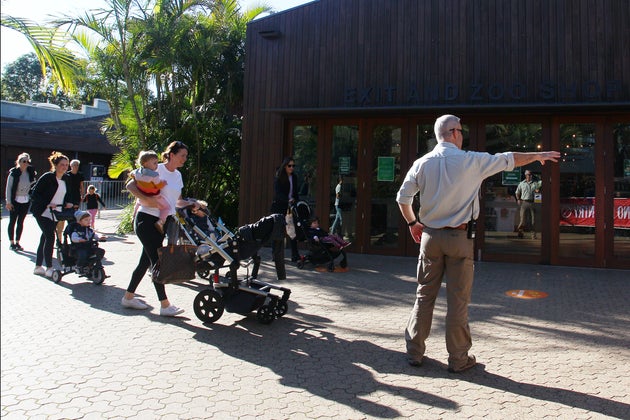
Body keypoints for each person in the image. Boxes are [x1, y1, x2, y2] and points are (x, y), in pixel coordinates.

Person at [396, 114, 560, 372]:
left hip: (429, 237)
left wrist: (412, 224)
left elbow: (402, 199)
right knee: (458, 301)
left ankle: (414, 352)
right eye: (460, 130)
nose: (462, 135)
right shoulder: (471, 161)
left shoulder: (421, 163)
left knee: (424, 295)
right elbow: (509, 158)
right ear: (453, 133)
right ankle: (458, 359)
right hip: (460, 238)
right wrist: (537, 156)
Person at [122, 141, 199, 316]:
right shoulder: (156, 168)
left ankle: (128, 297)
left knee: (145, 261)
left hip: (162, 223)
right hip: (146, 220)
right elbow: (130, 185)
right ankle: (165, 305)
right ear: (171, 155)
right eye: (182, 155)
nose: (185, 159)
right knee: (157, 261)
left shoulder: (178, 175)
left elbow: (177, 201)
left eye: (186, 156)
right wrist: (146, 199)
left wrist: (192, 204)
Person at [30, 151, 74, 278]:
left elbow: (67, 195)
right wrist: (47, 203)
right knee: (50, 236)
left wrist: (68, 203)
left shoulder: (67, 179)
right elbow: (34, 194)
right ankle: (49, 267)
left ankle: (38, 266)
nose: (65, 167)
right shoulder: (47, 177)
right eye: (62, 164)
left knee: (45, 237)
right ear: (55, 165)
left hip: (56, 212)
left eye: (66, 165)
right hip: (43, 212)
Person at [270, 156, 300, 277]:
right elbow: (278, 194)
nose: (291, 168)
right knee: (278, 231)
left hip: (290, 207)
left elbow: (296, 192)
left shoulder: (295, 177)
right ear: (285, 166)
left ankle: (295, 254)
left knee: (293, 230)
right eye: (289, 166)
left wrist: (294, 200)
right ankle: (275, 254)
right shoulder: (279, 177)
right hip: (279, 207)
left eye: (293, 166)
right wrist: (287, 200)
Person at [130, 150, 170, 234]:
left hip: (142, 194)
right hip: (154, 196)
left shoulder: (137, 172)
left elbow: (131, 174)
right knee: (167, 207)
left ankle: (133, 215)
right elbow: (158, 185)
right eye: (154, 163)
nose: (156, 166)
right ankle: (161, 221)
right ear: (145, 163)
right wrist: (164, 183)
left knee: (138, 203)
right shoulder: (154, 175)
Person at [5, 152, 37, 251]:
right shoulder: (14, 173)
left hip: (25, 200)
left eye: (28, 161)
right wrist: (8, 202)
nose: (26, 163)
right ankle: (11, 242)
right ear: (19, 162)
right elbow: (9, 188)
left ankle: (18, 242)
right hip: (15, 200)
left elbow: (33, 185)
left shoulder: (30, 173)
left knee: (21, 222)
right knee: (13, 221)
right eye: (24, 161)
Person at [56, 159, 84, 242]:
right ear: (71, 166)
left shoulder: (80, 175)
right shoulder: (66, 175)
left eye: (77, 165)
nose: (76, 167)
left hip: (76, 199)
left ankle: (73, 240)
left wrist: (82, 195)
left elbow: (81, 186)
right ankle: (59, 240)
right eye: (74, 165)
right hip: (65, 199)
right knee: (61, 219)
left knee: (73, 219)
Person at [515, 170, 541, 239]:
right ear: (525, 175)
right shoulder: (521, 183)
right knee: (522, 220)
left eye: (530, 174)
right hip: (524, 202)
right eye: (528, 174)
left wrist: (538, 192)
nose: (530, 176)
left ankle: (533, 235)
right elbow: (517, 192)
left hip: (532, 202)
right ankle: (520, 233)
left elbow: (538, 193)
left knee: (533, 220)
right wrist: (518, 199)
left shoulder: (535, 184)